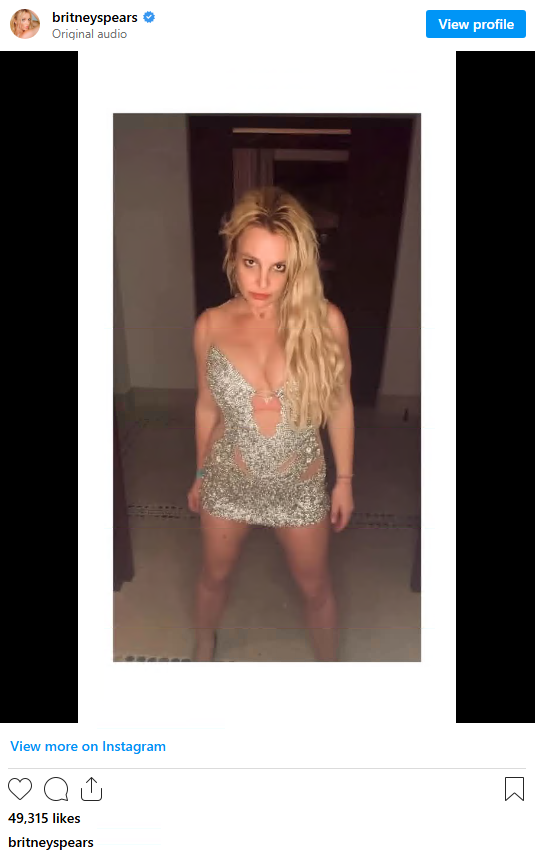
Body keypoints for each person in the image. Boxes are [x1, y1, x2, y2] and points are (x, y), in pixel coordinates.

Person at [187, 186, 355, 662]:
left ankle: (330, 670)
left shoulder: (326, 322)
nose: (262, 280)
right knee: (213, 576)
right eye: (250, 263)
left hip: (299, 483)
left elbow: (340, 405)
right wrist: (200, 473)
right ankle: (203, 644)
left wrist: (344, 481)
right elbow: (207, 408)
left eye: (278, 267)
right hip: (229, 478)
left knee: (315, 587)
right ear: (232, 257)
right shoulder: (210, 325)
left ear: (296, 267)